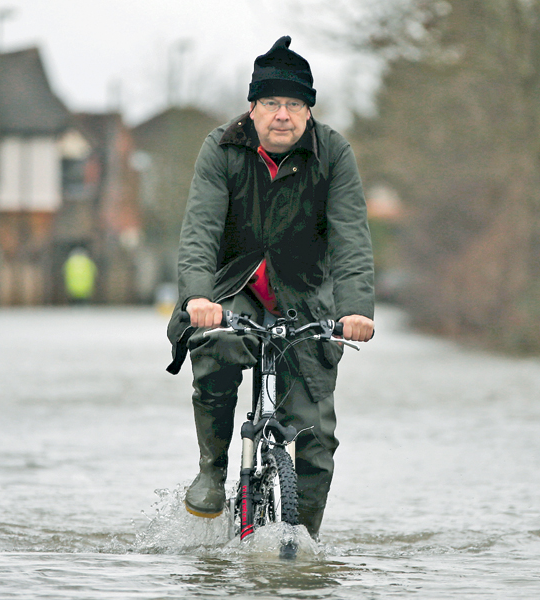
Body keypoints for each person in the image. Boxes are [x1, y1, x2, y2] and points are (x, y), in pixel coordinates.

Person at [166, 36, 375, 539]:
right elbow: (200, 229)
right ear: (253, 109)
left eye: (294, 104)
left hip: (306, 295)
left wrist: (356, 309)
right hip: (232, 287)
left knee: (316, 434)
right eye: (271, 103)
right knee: (216, 347)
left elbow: (351, 238)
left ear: (308, 111)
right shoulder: (221, 148)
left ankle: (302, 544)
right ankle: (213, 470)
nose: (283, 115)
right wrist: (197, 296)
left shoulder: (334, 153)